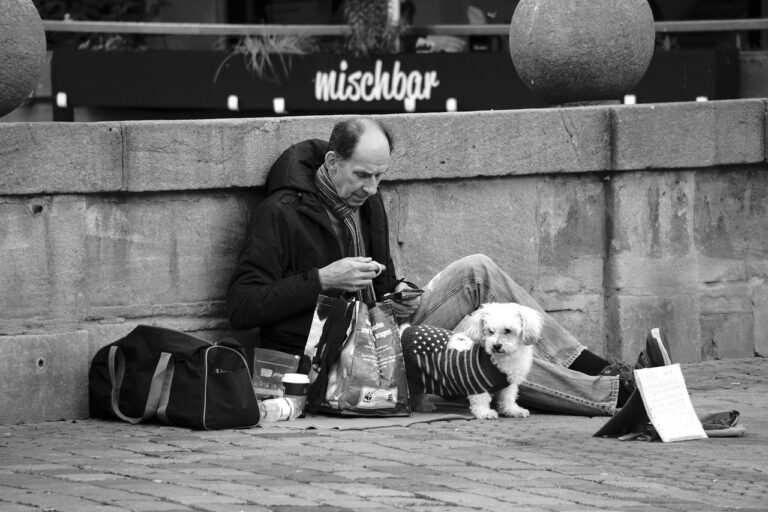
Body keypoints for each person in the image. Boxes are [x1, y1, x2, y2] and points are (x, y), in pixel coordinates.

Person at [227, 117, 669, 416]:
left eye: (380, 176)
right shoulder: (280, 212)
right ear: (331, 163)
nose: (373, 187)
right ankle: (617, 394)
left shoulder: (368, 203)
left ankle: (598, 368)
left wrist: (399, 293)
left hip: (384, 330)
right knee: (488, 356)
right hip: (334, 354)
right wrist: (324, 279)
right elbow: (243, 305)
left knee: (477, 269)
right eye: (363, 175)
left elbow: (378, 283)